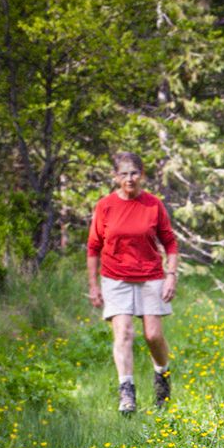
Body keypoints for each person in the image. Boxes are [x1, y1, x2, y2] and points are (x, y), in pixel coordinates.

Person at [86, 151, 179, 415]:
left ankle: (162, 376)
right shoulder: (105, 206)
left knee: (153, 335)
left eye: (134, 173)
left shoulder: (153, 205)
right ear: (115, 177)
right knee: (124, 333)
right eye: (124, 174)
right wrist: (93, 285)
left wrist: (171, 275)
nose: (130, 179)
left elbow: (170, 242)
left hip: (151, 277)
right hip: (116, 278)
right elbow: (93, 247)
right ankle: (127, 393)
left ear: (143, 175)